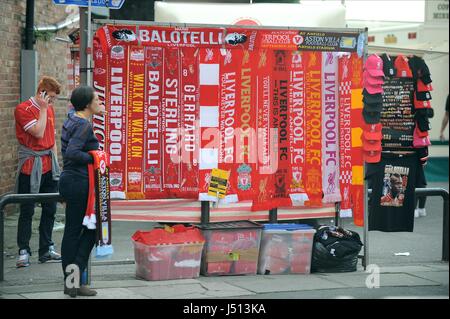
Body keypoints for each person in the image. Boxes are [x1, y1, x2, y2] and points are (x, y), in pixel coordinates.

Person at [59, 85, 105, 297]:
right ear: (87, 104)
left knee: (72, 231)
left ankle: (73, 282)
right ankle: (75, 278)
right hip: (79, 182)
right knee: (91, 229)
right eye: (97, 100)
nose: (100, 103)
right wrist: (96, 157)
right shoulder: (84, 125)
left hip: (70, 181)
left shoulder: (71, 120)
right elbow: (72, 153)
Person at [14, 76, 62, 268]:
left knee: (50, 209)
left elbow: (51, 138)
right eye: (50, 96)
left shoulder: (49, 108)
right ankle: (23, 250)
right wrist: (42, 108)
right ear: (41, 91)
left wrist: (57, 165)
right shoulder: (23, 109)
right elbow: (38, 133)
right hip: (30, 166)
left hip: (49, 164)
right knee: (27, 210)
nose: (52, 101)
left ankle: (46, 249)